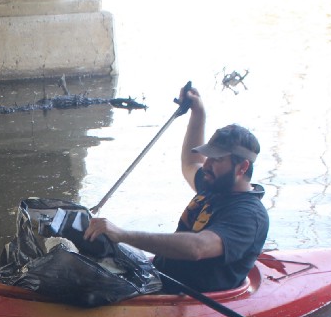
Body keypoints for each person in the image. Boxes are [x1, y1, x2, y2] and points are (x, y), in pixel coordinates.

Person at [84, 86, 269, 293]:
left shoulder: (248, 216)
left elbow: (198, 248)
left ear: (242, 167)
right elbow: (191, 163)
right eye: (208, 157)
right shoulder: (214, 185)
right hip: (160, 278)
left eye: (217, 159)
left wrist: (123, 234)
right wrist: (198, 112)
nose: (206, 166)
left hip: (191, 296)